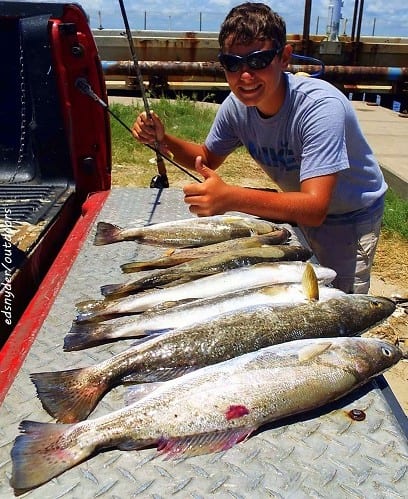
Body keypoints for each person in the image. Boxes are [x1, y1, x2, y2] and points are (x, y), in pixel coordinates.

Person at [132, 2, 387, 294]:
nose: (246, 76)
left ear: (284, 58)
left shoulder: (320, 108)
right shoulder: (236, 107)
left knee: (338, 298)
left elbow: (315, 208)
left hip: (350, 216)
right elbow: (207, 158)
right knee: (300, 291)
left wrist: (230, 198)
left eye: (258, 60)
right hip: (298, 207)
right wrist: (163, 141)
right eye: (233, 63)